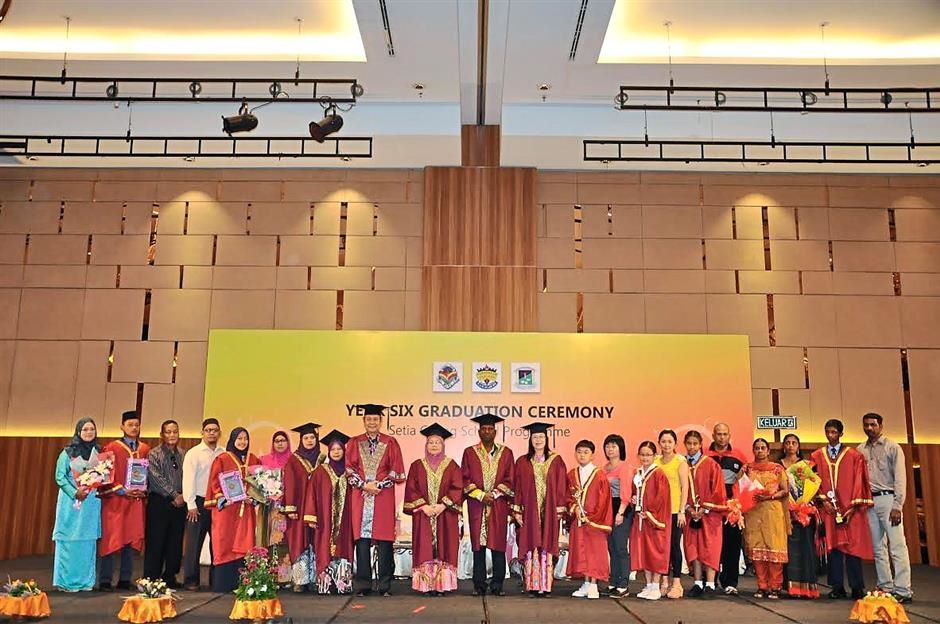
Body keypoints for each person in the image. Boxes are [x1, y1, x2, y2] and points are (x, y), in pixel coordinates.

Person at [345, 403, 406, 597]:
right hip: (361, 496)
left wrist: (378, 485)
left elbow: (396, 470)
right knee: (362, 542)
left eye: (375, 419)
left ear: (381, 421)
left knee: (385, 542)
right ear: (364, 421)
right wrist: (364, 485)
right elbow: (349, 469)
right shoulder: (354, 442)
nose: (372, 422)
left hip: (383, 497)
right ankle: (363, 585)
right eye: (369, 419)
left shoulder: (391, 442)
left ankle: (384, 585)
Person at [811, 419, 874, 600]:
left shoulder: (854, 456)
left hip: (849, 510)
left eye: (834, 432)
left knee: (852, 547)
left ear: (840, 433)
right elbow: (814, 482)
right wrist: (824, 501)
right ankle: (837, 586)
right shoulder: (817, 456)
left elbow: (859, 482)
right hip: (829, 510)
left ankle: (857, 586)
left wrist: (853, 506)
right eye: (828, 432)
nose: (830, 435)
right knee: (833, 547)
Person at [403, 423, 463, 596]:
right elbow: (411, 488)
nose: (434, 445)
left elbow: (457, 487)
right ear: (426, 445)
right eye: (431, 442)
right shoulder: (416, 465)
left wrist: (443, 505)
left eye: (437, 442)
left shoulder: (452, 465)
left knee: (446, 546)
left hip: (446, 514)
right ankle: (426, 585)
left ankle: (442, 585)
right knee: (425, 547)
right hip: (424, 514)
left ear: (443, 444)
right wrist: (424, 506)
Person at [858, 413, 912, 603]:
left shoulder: (893, 447)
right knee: (877, 547)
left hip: (889, 500)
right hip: (870, 502)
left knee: (897, 546)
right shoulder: (860, 449)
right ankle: (886, 585)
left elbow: (900, 479)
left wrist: (898, 505)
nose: (869, 428)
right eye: (866, 425)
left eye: (873, 424)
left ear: (881, 425)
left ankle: (903, 589)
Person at [461, 413, 515, 597]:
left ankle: (498, 584)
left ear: (495, 431)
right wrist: (480, 495)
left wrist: (495, 493)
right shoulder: (469, 452)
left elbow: (510, 478)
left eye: (490, 429)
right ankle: (479, 585)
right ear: (478, 431)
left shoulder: (506, 453)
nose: (486, 432)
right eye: (483, 429)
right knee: (478, 545)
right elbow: (465, 478)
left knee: (498, 544)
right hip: (477, 504)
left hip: (498, 503)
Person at [512, 422, 568, 598]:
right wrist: (517, 511)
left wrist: (559, 509)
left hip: (549, 511)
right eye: (535, 437)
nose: (538, 440)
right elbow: (518, 487)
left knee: (546, 545)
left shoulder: (556, 460)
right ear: (530, 439)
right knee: (531, 545)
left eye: (541, 437)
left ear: (546, 439)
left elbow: (561, 485)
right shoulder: (522, 461)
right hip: (529, 511)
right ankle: (532, 585)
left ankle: (545, 585)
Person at [98, 410, 151, 591]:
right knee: (112, 538)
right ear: (122, 426)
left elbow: (148, 476)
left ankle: (124, 579)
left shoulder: (144, 449)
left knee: (131, 539)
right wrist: (120, 490)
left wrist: (143, 491)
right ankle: (105, 579)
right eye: (130, 425)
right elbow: (103, 477)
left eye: (136, 425)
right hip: (115, 501)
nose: (134, 428)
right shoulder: (111, 448)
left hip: (135, 502)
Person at [205, 427, 261, 592]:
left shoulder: (253, 460)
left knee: (245, 543)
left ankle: (242, 584)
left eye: (245, 439)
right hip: (227, 512)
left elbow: (259, 486)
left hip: (246, 512)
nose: (243, 442)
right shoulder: (222, 459)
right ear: (232, 440)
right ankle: (223, 584)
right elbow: (214, 485)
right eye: (239, 439)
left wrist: (255, 498)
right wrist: (224, 498)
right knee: (224, 543)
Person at [52, 417, 102, 592]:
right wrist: (75, 492)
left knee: (87, 541)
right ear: (78, 432)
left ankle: (85, 581)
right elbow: (60, 477)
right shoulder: (67, 452)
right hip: (71, 501)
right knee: (68, 539)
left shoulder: (99, 453)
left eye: (92, 429)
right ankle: (65, 581)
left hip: (90, 503)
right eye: (85, 429)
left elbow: (103, 477)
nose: (89, 432)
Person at [307, 429, 354, 594]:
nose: (336, 452)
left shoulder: (350, 473)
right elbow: (311, 494)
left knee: (344, 547)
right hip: (325, 519)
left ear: (344, 450)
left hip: (346, 520)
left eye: (339, 449)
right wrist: (312, 517)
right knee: (324, 547)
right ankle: (325, 585)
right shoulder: (320, 472)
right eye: (333, 449)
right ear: (329, 451)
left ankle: (342, 584)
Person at [705, 422, 748, 595]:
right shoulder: (706, 456)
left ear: (729, 436)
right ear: (713, 436)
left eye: (725, 434)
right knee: (712, 545)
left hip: (732, 507)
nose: (722, 437)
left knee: (732, 544)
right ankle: (710, 581)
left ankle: (730, 582)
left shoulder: (739, 455)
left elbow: (745, 481)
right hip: (712, 506)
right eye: (718, 434)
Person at [743, 438, 790, 599]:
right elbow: (740, 487)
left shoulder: (777, 469)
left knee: (774, 548)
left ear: (768, 451)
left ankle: (775, 586)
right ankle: (762, 586)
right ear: (753, 450)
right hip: (754, 512)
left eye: (763, 448)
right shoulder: (747, 468)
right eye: (757, 448)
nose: (760, 451)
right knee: (757, 550)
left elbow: (785, 490)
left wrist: (770, 496)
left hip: (772, 511)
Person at [566, 439, 612, 600]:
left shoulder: (599, 475)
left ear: (592, 455)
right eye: (579, 452)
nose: (582, 455)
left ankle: (593, 585)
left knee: (595, 552)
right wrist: (575, 508)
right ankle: (586, 583)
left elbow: (604, 500)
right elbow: (567, 496)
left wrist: (591, 517)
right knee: (582, 552)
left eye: (586, 452)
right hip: (578, 520)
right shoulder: (572, 474)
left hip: (595, 522)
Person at [683, 430, 726, 599]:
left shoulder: (711, 464)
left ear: (700, 444)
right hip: (690, 513)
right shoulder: (682, 464)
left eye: (695, 443)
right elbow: (679, 490)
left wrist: (704, 509)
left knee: (710, 548)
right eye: (689, 443)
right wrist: (689, 509)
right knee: (694, 548)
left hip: (710, 515)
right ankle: (697, 583)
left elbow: (718, 490)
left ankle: (710, 584)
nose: (692, 447)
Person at [182, 418, 224, 591]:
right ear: (202, 433)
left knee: (217, 543)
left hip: (218, 502)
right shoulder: (194, 453)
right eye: (208, 430)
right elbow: (188, 479)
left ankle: (217, 580)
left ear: (219, 433)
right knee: (194, 543)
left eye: (214, 430)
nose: (211, 433)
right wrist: (190, 503)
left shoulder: (224, 453)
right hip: (198, 502)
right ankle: (191, 580)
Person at [144, 420, 186, 587]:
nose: (172, 435)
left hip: (180, 504)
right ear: (161, 435)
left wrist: (183, 496)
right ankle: (152, 577)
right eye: (168, 432)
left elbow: (188, 476)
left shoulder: (183, 454)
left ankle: (170, 576)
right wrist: (174, 495)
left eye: (175, 432)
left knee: (175, 542)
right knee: (156, 540)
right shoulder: (153, 454)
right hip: (159, 503)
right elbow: (155, 478)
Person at [281, 423, 322, 592]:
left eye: (312, 437)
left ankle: (315, 579)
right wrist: (291, 508)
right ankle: (300, 579)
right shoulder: (294, 460)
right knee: (300, 541)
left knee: (317, 542)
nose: (310, 440)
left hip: (318, 509)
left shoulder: (323, 459)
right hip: (299, 508)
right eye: (306, 438)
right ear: (301, 440)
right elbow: (289, 484)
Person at [779, 434, 819, 599]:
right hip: (785, 512)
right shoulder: (778, 466)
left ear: (798, 446)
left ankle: (807, 587)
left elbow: (814, 487)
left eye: (794, 443)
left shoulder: (807, 465)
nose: (790, 446)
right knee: (789, 549)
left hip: (804, 513)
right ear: (783, 446)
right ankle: (791, 587)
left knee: (806, 549)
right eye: (787, 443)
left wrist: (803, 505)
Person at [631, 440, 672, 601]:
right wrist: (635, 499)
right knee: (644, 552)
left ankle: (656, 585)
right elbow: (637, 492)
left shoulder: (658, 474)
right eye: (642, 454)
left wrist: (648, 512)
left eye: (648, 454)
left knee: (655, 552)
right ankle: (648, 585)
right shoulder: (638, 473)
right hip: (641, 519)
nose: (645, 457)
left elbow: (660, 499)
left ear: (655, 456)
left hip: (653, 519)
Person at [654, 429, 689, 599]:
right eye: (663, 441)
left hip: (675, 511)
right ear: (659, 443)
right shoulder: (655, 462)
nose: (666, 445)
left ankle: (677, 583)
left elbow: (685, 488)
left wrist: (682, 510)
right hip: (659, 513)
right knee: (662, 548)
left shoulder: (680, 462)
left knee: (674, 546)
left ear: (675, 444)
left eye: (670, 441)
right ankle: (664, 581)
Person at [259, 430, 292, 585]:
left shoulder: (294, 460)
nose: (280, 443)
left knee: (286, 542)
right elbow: (259, 484)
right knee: (270, 541)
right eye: (277, 441)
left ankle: (285, 578)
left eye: (283, 440)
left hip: (288, 508)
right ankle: (270, 577)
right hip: (270, 508)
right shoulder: (264, 460)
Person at [602, 433, 633, 598]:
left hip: (621, 509)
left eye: (613, 446)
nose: (610, 449)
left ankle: (623, 584)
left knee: (621, 547)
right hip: (607, 510)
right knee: (611, 547)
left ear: (620, 448)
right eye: (607, 446)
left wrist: (620, 512)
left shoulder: (625, 467)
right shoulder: (604, 468)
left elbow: (626, 493)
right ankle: (613, 581)